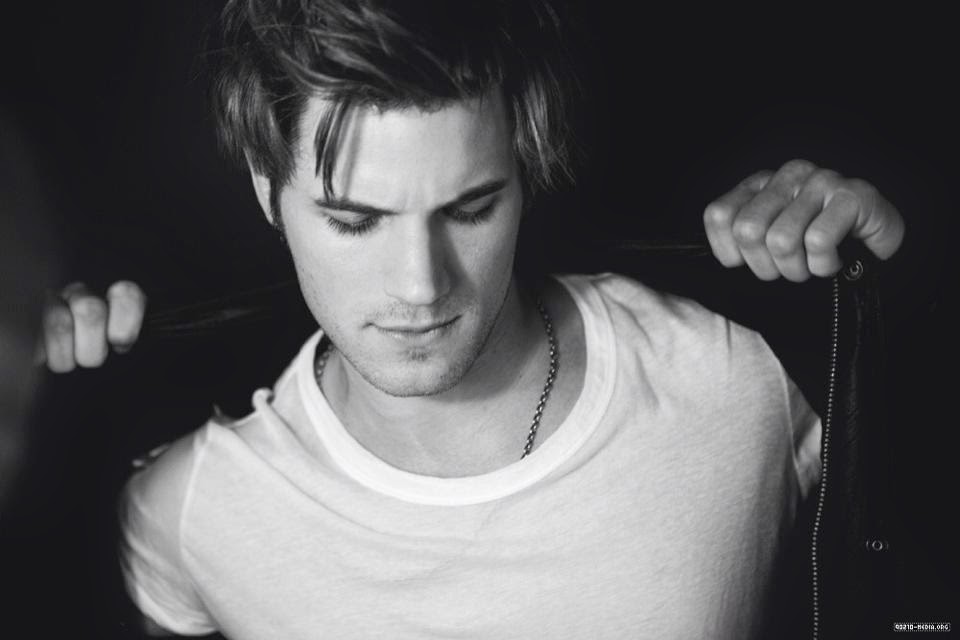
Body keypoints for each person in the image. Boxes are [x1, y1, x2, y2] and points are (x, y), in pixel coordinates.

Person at [41, 1, 905, 637]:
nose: (421, 286)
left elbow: (924, 512)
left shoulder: (734, 378)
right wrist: (34, 400)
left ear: (526, 172)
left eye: (470, 209)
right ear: (269, 194)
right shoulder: (192, 508)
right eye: (355, 221)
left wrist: (906, 274)